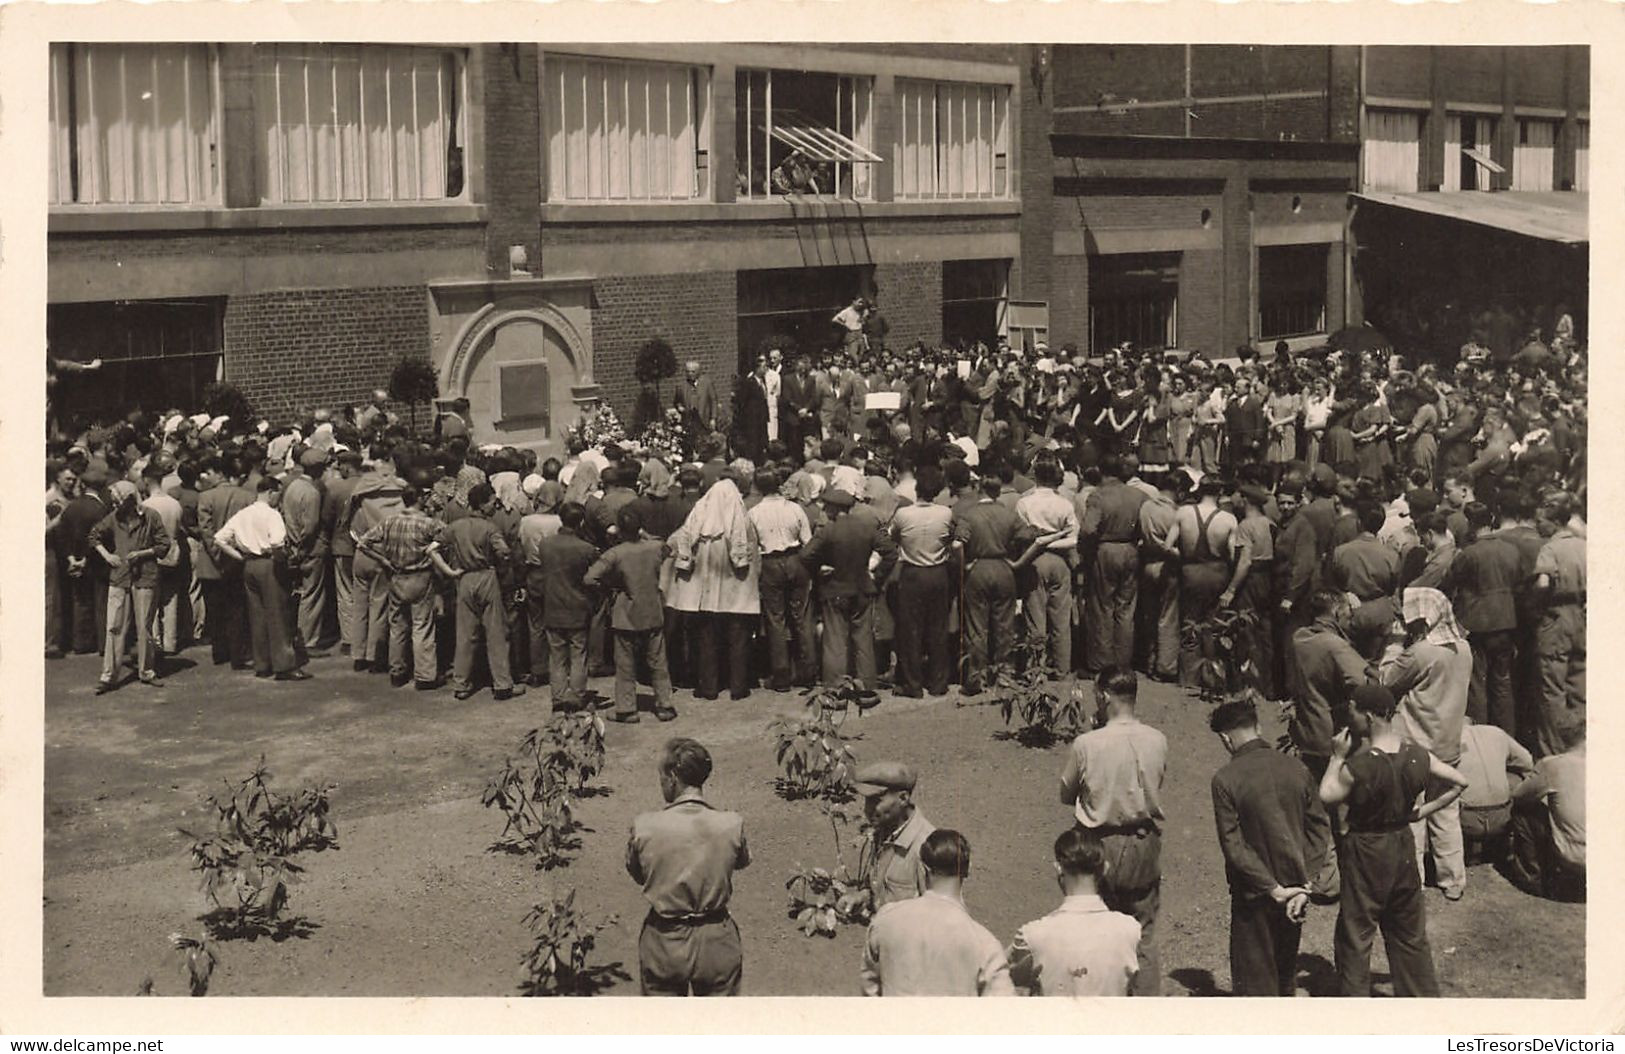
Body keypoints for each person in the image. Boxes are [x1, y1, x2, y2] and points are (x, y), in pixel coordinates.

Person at [1319, 682, 1467, 997]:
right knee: (1409, 932)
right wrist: (1420, 812)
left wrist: (1336, 757)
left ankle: (1355, 1008)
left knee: (1356, 935)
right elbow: (1459, 782)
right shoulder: (1417, 754)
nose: (1351, 718)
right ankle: (1421, 1006)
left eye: (1354, 712)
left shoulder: (1359, 766)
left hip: (1366, 847)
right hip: (1402, 843)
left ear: (1369, 717)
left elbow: (1326, 794)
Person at [1057, 666, 1168, 996]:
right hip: (1142, 840)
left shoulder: (1087, 743)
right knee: (1143, 932)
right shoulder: (1157, 739)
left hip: (1097, 843)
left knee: (1094, 926)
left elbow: (1066, 794)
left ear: (1104, 696)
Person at [1209, 699, 1330, 996]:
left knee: (1254, 984)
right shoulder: (1297, 768)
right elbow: (1318, 829)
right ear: (1258, 727)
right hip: (1295, 893)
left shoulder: (1225, 779)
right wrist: (1305, 885)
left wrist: (1272, 888)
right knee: (1284, 975)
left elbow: (1233, 845)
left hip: (1255, 895)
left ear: (1226, 738)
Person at [626, 738, 751, 996]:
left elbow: (638, 874)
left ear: (673, 776)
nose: (661, 783)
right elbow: (741, 862)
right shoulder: (731, 824)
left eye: (661, 775)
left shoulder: (644, 826)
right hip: (717, 939)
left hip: (664, 940)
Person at [1381, 587, 1473, 900]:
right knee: (1446, 812)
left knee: (1413, 813)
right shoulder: (1464, 647)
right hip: (1449, 742)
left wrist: (1393, 645)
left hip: (1416, 743)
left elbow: (1386, 681)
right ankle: (1452, 880)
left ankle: (1413, 880)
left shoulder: (1420, 653)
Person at [859, 829, 1014, 997]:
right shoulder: (984, 943)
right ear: (968, 868)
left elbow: (870, 990)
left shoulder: (885, 921)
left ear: (922, 867)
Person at [1006, 827, 1141, 997]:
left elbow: (1003, 973)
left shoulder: (1033, 936)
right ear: (1105, 868)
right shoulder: (1130, 930)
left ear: (1059, 869)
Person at [667, 476, 761, 701]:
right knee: (738, 635)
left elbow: (682, 540)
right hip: (736, 587)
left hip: (705, 588)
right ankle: (738, 686)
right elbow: (751, 549)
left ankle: (708, 686)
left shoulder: (698, 519)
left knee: (706, 636)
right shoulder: (741, 518)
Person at [355, 485, 454, 690]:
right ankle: (425, 675)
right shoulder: (429, 523)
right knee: (422, 626)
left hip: (397, 576)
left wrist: (383, 560)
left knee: (398, 626)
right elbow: (450, 536)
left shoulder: (390, 521)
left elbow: (363, 543)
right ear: (418, 499)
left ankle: (397, 671)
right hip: (420, 576)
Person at [585, 505, 676, 723]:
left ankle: (626, 709)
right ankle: (665, 704)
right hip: (652, 609)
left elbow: (589, 578)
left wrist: (611, 586)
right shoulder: (654, 547)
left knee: (625, 664)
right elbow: (669, 550)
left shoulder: (614, 554)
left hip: (625, 613)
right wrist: (642, 533)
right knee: (658, 661)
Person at [214, 477, 310, 683]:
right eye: (279, 494)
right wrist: (282, 560)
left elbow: (220, 538)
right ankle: (284, 665)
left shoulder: (243, 514)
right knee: (278, 614)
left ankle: (262, 663)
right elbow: (276, 541)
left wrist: (240, 556)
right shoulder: (272, 514)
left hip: (250, 565)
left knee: (257, 615)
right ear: (271, 492)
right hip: (269, 564)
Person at [802, 488, 896, 691]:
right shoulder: (866, 528)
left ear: (835, 509)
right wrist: (876, 577)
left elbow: (806, 555)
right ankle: (866, 685)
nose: (825, 509)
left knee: (835, 640)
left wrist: (819, 569)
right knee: (863, 639)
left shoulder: (828, 530)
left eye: (827, 506)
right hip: (862, 588)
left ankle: (836, 685)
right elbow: (890, 552)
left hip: (835, 588)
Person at [443, 483, 525, 702]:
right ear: (482, 504)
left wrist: (449, 570)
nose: (494, 505)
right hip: (487, 577)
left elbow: (435, 545)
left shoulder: (456, 526)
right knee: (496, 633)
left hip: (464, 578)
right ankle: (502, 684)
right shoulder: (490, 528)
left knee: (465, 635)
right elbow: (504, 553)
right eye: (491, 501)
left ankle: (460, 683)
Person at [91, 480, 172, 692]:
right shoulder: (113, 518)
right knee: (114, 626)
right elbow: (94, 535)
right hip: (120, 577)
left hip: (145, 577)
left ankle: (146, 671)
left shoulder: (151, 516)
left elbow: (164, 545)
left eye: (118, 500)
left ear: (129, 499)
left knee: (144, 627)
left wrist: (143, 553)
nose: (116, 505)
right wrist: (107, 555)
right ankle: (108, 675)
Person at [1289, 589, 1371, 780]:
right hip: (1331, 733)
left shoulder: (1299, 637)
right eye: (1348, 612)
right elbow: (1362, 682)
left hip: (1306, 728)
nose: (1350, 619)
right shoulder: (1335, 645)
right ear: (1336, 612)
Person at [952, 474, 1022, 696]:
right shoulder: (1009, 514)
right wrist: (1017, 560)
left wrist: (964, 566)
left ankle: (975, 677)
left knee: (976, 625)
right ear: (998, 491)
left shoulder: (969, 515)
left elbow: (956, 545)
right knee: (1004, 624)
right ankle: (1004, 674)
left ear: (980, 488)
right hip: (1003, 568)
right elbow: (1029, 536)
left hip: (978, 568)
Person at [890, 464, 956, 697]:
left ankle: (913, 683)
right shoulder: (945, 513)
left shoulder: (903, 514)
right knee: (938, 628)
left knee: (911, 630)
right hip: (938, 572)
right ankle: (938, 683)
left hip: (913, 573)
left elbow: (894, 537)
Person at [748, 467, 817, 690]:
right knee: (802, 616)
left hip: (770, 563)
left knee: (775, 620)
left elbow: (753, 547)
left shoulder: (754, 513)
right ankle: (808, 671)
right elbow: (808, 540)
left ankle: (781, 675)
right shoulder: (795, 509)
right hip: (796, 560)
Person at [1079, 453, 1146, 673]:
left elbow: (1089, 529)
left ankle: (1101, 662)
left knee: (1102, 607)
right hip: (1131, 548)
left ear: (1100, 470)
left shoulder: (1098, 496)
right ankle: (1123, 661)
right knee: (1126, 608)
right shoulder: (1139, 495)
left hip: (1105, 549)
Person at [1530, 492, 1584, 758]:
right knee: (1579, 686)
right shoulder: (1584, 545)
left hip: (1555, 619)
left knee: (1552, 691)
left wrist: (1537, 606)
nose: (1538, 525)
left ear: (1553, 522)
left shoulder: (1550, 548)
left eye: (1541, 521)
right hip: (1582, 619)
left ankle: (1553, 754)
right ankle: (1580, 746)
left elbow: (1542, 582)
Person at [1507, 718, 1585, 900]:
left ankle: (1534, 877)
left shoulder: (1553, 764)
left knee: (1523, 812)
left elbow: (1519, 795)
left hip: (1575, 857)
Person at [1015, 456, 1079, 675]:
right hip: (1060, 560)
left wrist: (1040, 544)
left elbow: (1019, 535)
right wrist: (1055, 543)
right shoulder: (1064, 504)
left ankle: (1036, 669)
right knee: (1061, 618)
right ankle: (1062, 668)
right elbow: (1074, 538)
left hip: (1034, 560)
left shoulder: (1024, 503)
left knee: (1035, 617)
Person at [534, 502, 599, 712]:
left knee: (557, 656)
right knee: (579, 653)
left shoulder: (545, 544)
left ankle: (558, 696)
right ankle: (577, 694)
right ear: (581, 522)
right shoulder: (586, 549)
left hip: (552, 605)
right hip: (578, 606)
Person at [1175, 477, 1238, 686]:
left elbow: (1168, 545)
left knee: (1189, 622)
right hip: (1217, 572)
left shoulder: (1183, 513)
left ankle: (1188, 677)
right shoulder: (1228, 519)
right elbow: (1231, 554)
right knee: (1213, 624)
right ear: (1219, 493)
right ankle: (1212, 676)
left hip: (1190, 571)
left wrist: (1185, 558)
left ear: (1199, 491)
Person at [1456, 715, 1535, 865]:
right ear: (1473, 721)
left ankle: (1462, 854)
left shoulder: (1446, 737)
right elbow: (1527, 763)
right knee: (1516, 778)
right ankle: (1501, 849)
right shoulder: (1496, 732)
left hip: (1465, 819)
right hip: (1502, 817)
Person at [856, 761, 936, 910]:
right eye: (867, 801)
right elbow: (882, 884)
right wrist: (863, 897)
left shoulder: (927, 847)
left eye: (876, 801)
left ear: (903, 798)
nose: (867, 809)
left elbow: (937, 915)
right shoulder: (886, 829)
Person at [674, 360, 719, 437]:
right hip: (689, 421)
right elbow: (676, 401)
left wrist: (713, 418)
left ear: (698, 372)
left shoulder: (707, 383)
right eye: (688, 372)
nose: (690, 374)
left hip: (704, 420)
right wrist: (679, 407)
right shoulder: (681, 386)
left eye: (693, 372)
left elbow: (713, 401)